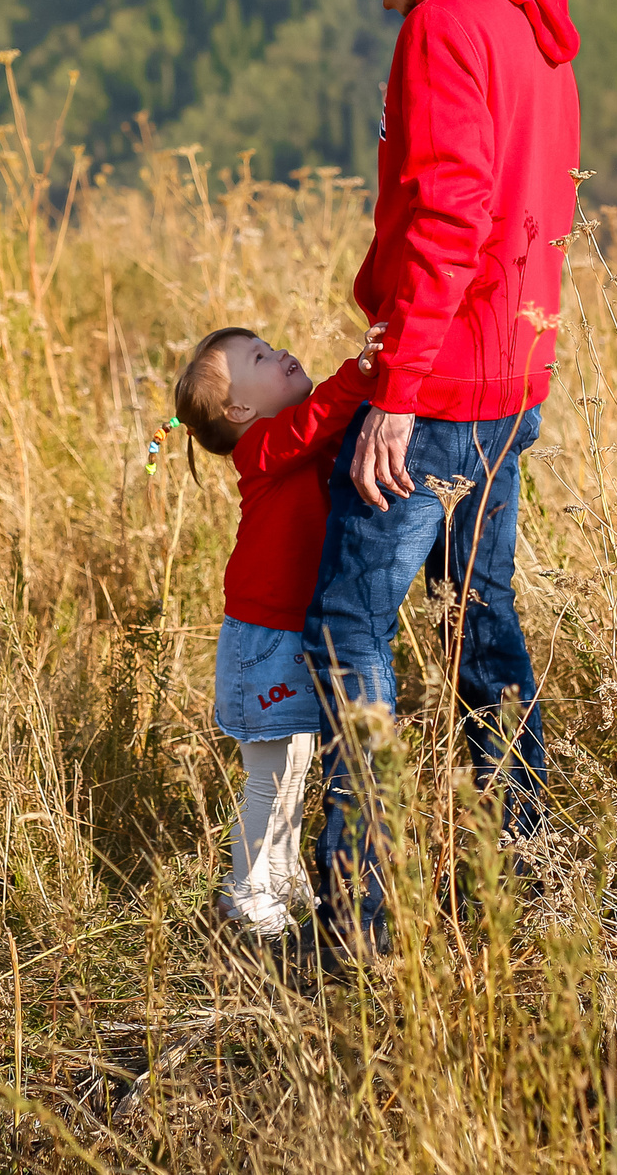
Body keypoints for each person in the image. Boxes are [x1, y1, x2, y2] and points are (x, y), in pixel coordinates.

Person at [303, 0, 581, 956]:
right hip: (513, 374)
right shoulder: (529, 21)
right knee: (479, 619)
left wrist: (399, 388)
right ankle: (524, 864)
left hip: (446, 384)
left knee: (344, 628)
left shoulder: (445, 25)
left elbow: (453, 216)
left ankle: (360, 925)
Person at [168, 322, 382, 939]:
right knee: (272, 773)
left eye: (270, 345)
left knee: (297, 763)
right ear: (239, 408)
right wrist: (361, 372)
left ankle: (282, 878)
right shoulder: (260, 446)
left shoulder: (288, 440)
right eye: (259, 357)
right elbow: (316, 420)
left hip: (291, 628)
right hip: (265, 637)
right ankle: (246, 894)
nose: (280, 352)